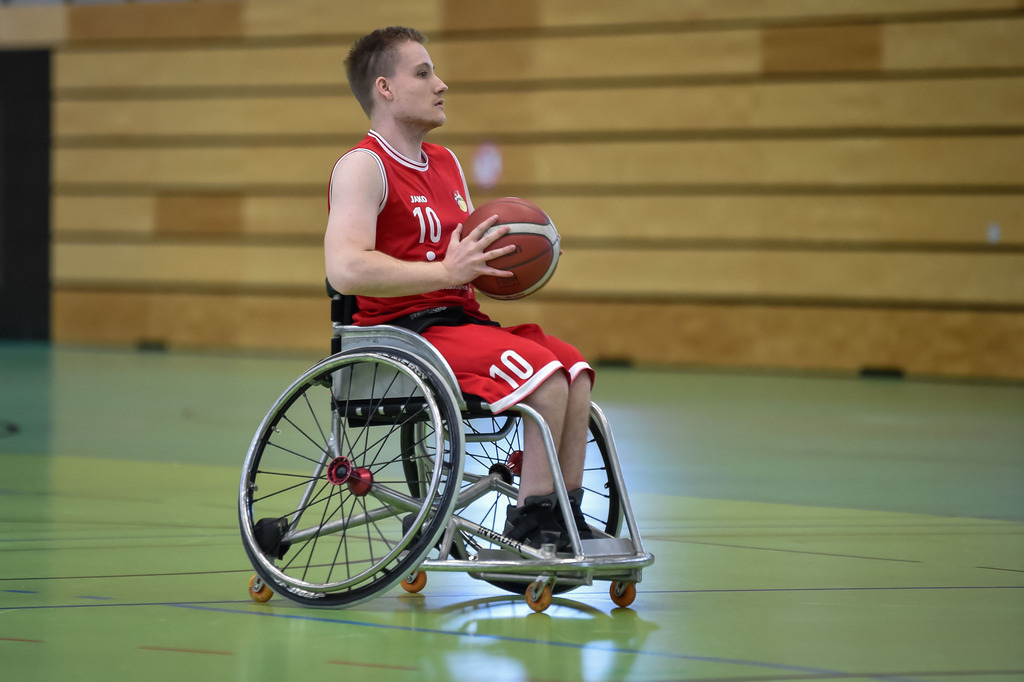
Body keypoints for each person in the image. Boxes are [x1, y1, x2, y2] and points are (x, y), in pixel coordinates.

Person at [324, 26, 594, 550]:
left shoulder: (445, 163)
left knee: (573, 367)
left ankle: (565, 510)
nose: (440, 84)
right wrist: (447, 273)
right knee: (543, 377)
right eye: (423, 73)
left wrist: (507, 263)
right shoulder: (363, 166)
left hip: (459, 322)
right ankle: (532, 522)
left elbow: (462, 262)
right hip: (400, 333)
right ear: (385, 88)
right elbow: (346, 269)